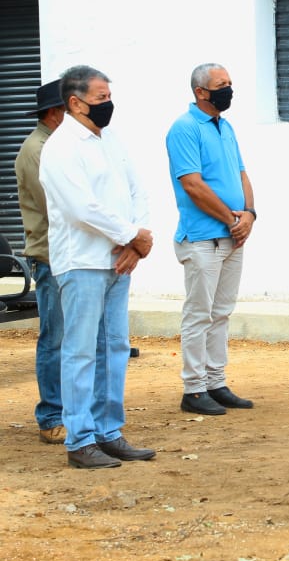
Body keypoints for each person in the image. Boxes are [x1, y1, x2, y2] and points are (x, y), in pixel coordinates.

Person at [38, 65, 155, 469]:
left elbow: (136, 189)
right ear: (75, 102)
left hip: (117, 260)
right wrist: (130, 236)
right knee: (81, 351)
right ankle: (80, 438)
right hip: (82, 262)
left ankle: (109, 431)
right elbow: (81, 207)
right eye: (101, 98)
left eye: (108, 97)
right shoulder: (61, 148)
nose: (108, 105)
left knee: (115, 349)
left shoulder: (110, 139)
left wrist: (136, 242)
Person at [165, 63, 256, 416]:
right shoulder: (184, 128)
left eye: (230, 83)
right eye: (222, 84)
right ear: (201, 91)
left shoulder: (225, 126)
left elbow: (242, 173)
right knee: (199, 313)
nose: (228, 89)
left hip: (231, 236)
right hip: (204, 237)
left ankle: (216, 381)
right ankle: (194, 388)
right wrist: (232, 219)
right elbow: (192, 185)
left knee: (221, 313)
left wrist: (249, 213)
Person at [14, 80, 68, 446]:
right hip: (51, 256)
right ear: (53, 113)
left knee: (70, 339)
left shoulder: (56, 147)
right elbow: (57, 208)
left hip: (66, 254)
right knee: (55, 339)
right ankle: (50, 414)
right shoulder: (38, 150)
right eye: (69, 109)